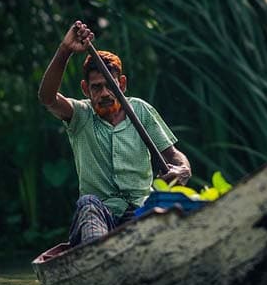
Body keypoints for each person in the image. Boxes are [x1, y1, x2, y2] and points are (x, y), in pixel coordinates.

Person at [38, 20, 191, 245]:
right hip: (100, 216)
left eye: (110, 85)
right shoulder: (81, 115)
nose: (105, 93)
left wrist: (183, 168)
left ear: (122, 84)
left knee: (166, 214)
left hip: (140, 211)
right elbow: (47, 98)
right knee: (88, 203)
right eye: (97, 87)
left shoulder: (140, 110)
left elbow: (172, 155)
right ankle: (97, 257)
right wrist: (65, 50)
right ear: (85, 90)